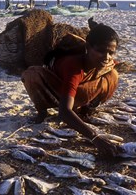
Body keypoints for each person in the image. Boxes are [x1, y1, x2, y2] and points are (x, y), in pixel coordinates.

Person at [21, 18, 120, 157]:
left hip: (74, 89)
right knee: (32, 75)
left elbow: (110, 64)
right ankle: (42, 111)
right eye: (101, 51)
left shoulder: (105, 61)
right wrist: (95, 138)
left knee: (113, 75)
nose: (107, 57)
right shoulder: (73, 66)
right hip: (55, 89)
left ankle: (86, 107)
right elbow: (63, 112)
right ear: (88, 47)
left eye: (111, 53)